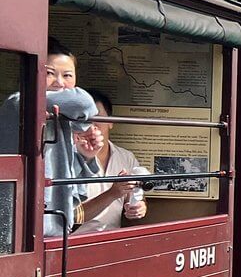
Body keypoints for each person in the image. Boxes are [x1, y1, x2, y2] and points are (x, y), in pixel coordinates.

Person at [0, 38, 100, 237]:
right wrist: (81, 122)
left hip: (54, 225)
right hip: (18, 227)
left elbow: (74, 187)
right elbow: (84, 103)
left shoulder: (61, 116)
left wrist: (85, 155)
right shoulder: (19, 102)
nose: (60, 83)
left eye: (68, 75)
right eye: (50, 74)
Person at [73, 89, 148, 233]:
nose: (92, 125)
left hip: (111, 240)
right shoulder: (68, 159)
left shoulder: (126, 157)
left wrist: (138, 206)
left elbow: (136, 197)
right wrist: (113, 193)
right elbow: (73, 217)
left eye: (98, 118)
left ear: (111, 122)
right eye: (85, 119)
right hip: (75, 243)